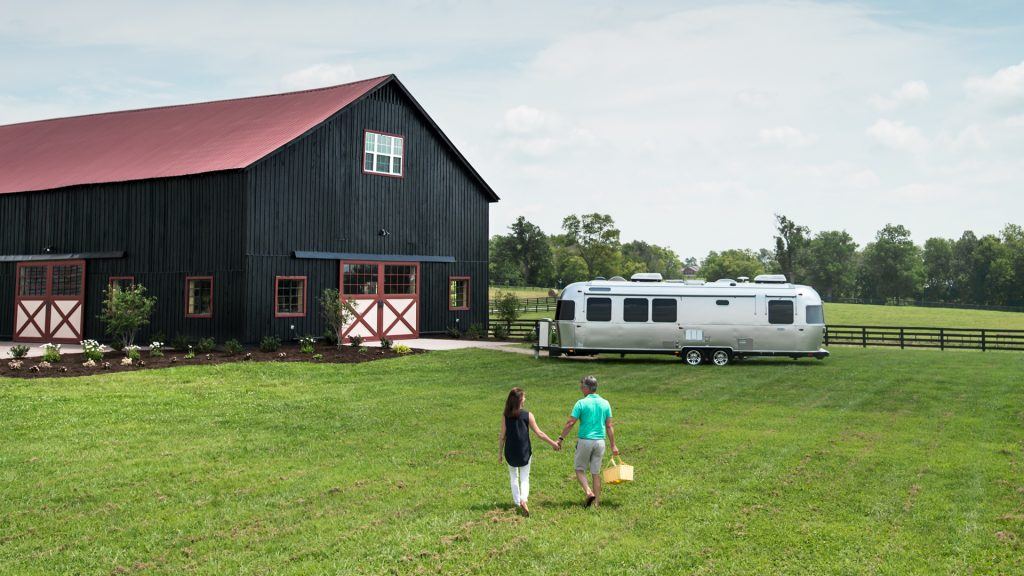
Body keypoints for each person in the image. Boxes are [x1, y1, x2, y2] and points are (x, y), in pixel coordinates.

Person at [557, 375, 618, 508]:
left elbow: (570, 423)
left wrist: (561, 438)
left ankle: (589, 492)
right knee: (595, 473)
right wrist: (613, 445)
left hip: (585, 441)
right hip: (600, 442)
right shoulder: (605, 403)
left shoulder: (581, 403)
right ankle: (596, 503)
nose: (580, 389)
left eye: (581, 387)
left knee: (579, 469)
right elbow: (609, 426)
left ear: (586, 388)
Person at [499, 387, 560, 516]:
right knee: (524, 477)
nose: (525, 398)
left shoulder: (505, 415)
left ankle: (517, 502)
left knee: (513, 476)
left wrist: (499, 453)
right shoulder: (527, 415)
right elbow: (539, 433)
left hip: (510, 451)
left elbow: (502, 436)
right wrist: (553, 443)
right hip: (524, 451)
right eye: (524, 397)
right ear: (520, 400)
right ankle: (523, 499)